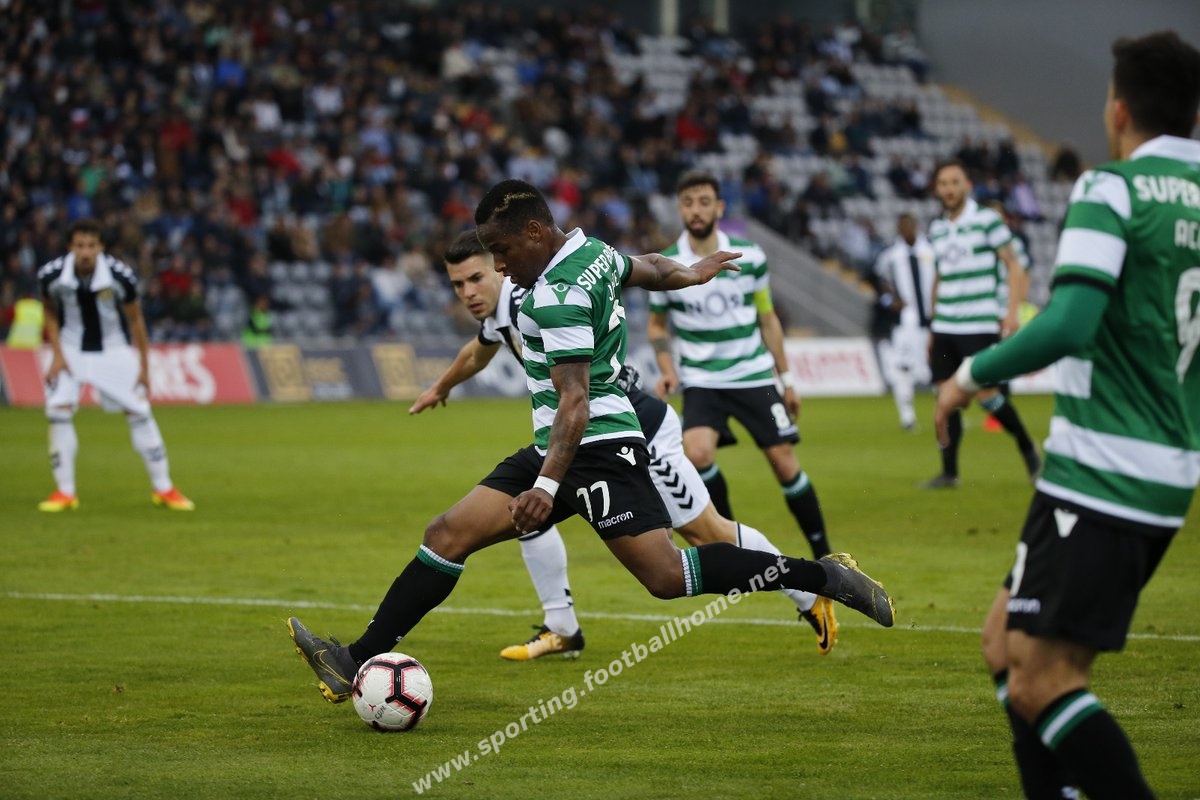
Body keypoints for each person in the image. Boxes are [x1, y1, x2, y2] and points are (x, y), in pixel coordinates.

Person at [289, 180, 894, 704]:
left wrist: (545, 487)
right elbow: (649, 266)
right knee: (446, 534)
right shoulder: (592, 252)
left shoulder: (557, 295)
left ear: (533, 232)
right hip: (559, 442)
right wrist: (689, 273)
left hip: (599, 447)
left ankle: (823, 577)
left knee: (667, 575)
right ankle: (352, 660)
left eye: (502, 251)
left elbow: (575, 402)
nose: (498, 266)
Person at [935, 31, 1200, 800]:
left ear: (1117, 110)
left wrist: (969, 376)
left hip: (1103, 470)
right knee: (1000, 645)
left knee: (1041, 682)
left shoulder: (1112, 190)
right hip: (1161, 467)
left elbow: (1070, 322)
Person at [409, 231, 838, 659]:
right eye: (458, 285)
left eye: (476, 278)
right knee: (525, 512)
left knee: (706, 533)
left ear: (500, 267)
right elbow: (478, 351)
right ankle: (562, 627)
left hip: (636, 428)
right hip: (584, 439)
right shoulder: (502, 310)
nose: (468, 293)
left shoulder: (531, 299)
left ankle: (808, 593)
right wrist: (441, 387)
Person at [648, 170, 832, 559]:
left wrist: (787, 379)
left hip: (752, 375)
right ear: (679, 209)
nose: (696, 210)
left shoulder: (751, 256)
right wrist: (667, 368)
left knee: (784, 463)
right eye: (688, 203)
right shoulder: (665, 264)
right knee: (698, 454)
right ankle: (735, 549)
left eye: (704, 202)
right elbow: (657, 325)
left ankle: (826, 557)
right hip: (701, 379)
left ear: (719, 207)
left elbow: (768, 318)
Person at [36, 218, 194, 512]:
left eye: (91, 246)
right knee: (57, 411)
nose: (85, 252)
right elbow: (49, 311)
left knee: (140, 412)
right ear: (70, 247)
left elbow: (136, 320)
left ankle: (164, 488)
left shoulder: (121, 277)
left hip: (113, 349)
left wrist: (144, 368)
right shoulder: (51, 275)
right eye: (80, 246)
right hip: (70, 348)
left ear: (101, 247)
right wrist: (56, 354)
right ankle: (65, 492)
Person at [922, 160, 1041, 489]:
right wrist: (932, 325)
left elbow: (1014, 266)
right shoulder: (937, 228)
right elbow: (940, 277)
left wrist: (1012, 312)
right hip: (945, 325)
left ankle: (1027, 446)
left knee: (987, 395)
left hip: (978, 324)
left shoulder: (988, 220)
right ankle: (949, 472)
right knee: (945, 397)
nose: (949, 188)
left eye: (955, 182)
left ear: (967, 186)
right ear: (937, 189)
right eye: (943, 183)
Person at [873, 212, 935, 431]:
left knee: (942, 366)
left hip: (934, 319)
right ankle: (907, 416)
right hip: (906, 321)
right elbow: (879, 280)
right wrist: (889, 300)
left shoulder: (931, 250)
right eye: (902, 226)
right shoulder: (891, 254)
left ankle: (947, 413)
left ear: (915, 226)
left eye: (909, 225)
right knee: (904, 367)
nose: (905, 229)